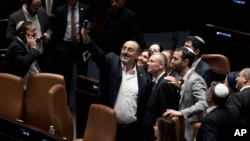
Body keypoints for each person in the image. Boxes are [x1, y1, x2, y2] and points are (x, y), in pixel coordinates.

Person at [81, 22, 151, 141]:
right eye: (123, 48)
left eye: (130, 50)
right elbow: (99, 55)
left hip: (131, 130)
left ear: (137, 55)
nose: (125, 52)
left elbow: (144, 104)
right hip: (108, 126)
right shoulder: (111, 62)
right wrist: (86, 38)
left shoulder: (144, 76)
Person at [163, 47, 208, 141]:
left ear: (185, 62)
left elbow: (203, 103)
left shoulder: (195, 79)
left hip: (190, 130)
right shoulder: (183, 79)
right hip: (182, 128)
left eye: (175, 59)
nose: (171, 61)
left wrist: (181, 113)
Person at [53, 0, 92, 102]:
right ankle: (65, 103)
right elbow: (56, 30)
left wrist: (90, 48)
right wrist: (59, 47)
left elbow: (91, 29)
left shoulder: (86, 8)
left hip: (81, 46)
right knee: (66, 76)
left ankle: (83, 102)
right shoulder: (60, 10)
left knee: (83, 75)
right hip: (66, 46)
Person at [6, 0, 52, 72]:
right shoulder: (15, 17)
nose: (37, 10)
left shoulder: (42, 11)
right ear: (27, 4)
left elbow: (49, 28)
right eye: (34, 8)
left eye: (38, 8)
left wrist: (47, 34)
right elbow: (9, 36)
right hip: (27, 55)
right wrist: (26, 40)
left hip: (42, 53)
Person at [144, 52, 180, 141]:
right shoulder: (154, 82)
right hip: (150, 131)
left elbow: (165, 113)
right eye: (148, 61)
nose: (148, 63)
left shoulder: (165, 84)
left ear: (161, 65)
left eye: (151, 61)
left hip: (157, 134)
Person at [6, 21, 40, 89]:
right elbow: (24, 63)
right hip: (22, 86)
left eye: (35, 30)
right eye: (32, 31)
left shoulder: (26, 42)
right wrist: (33, 48)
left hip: (33, 81)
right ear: (22, 33)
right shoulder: (15, 46)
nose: (35, 33)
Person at [231, 67, 250, 139]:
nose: (236, 79)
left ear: (245, 78)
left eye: (238, 76)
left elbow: (233, 120)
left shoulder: (237, 97)